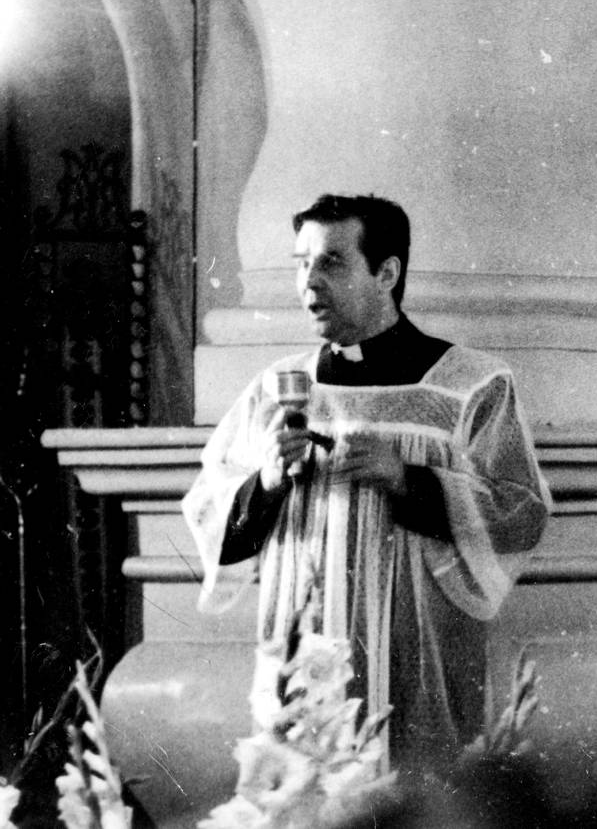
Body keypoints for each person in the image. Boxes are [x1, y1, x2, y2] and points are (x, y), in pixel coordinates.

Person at [183, 194, 550, 772]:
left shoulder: (470, 385)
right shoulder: (275, 388)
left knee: (422, 797)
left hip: (418, 656)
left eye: (331, 262)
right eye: (302, 263)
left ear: (387, 273)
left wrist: (410, 480)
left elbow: (521, 513)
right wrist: (267, 483)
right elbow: (209, 510)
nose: (309, 281)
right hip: (305, 659)